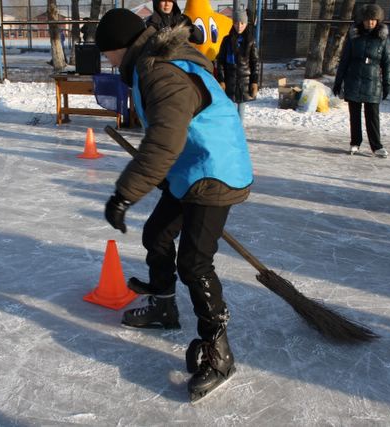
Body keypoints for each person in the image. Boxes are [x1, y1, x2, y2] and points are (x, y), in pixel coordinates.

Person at [95, 8, 253, 402]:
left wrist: (125, 194)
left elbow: (163, 142)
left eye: (107, 53)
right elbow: (173, 134)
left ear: (119, 47)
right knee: (158, 234)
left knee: (195, 263)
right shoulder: (151, 63)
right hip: (191, 165)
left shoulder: (160, 72)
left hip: (215, 169)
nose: (108, 61)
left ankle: (219, 353)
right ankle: (164, 307)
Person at [333, 4, 390, 158]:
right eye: (367, 20)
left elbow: (387, 62)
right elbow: (344, 60)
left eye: (373, 20)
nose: (370, 23)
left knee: (372, 115)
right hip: (353, 79)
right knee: (354, 115)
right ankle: (355, 142)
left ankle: (376, 146)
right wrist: (338, 82)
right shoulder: (354, 36)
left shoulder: (382, 38)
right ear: (362, 21)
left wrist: (387, 83)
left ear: (377, 20)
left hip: (372, 82)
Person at [216, 9, 259, 123]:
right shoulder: (226, 40)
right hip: (229, 82)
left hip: (244, 83)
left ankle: (239, 132)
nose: (239, 26)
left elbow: (255, 63)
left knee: (241, 116)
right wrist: (221, 80)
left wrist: (254, 82)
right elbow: (220, 61)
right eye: (236, 23)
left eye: (242, 23)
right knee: (230, 114)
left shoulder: (251, 41)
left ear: (246, 23)